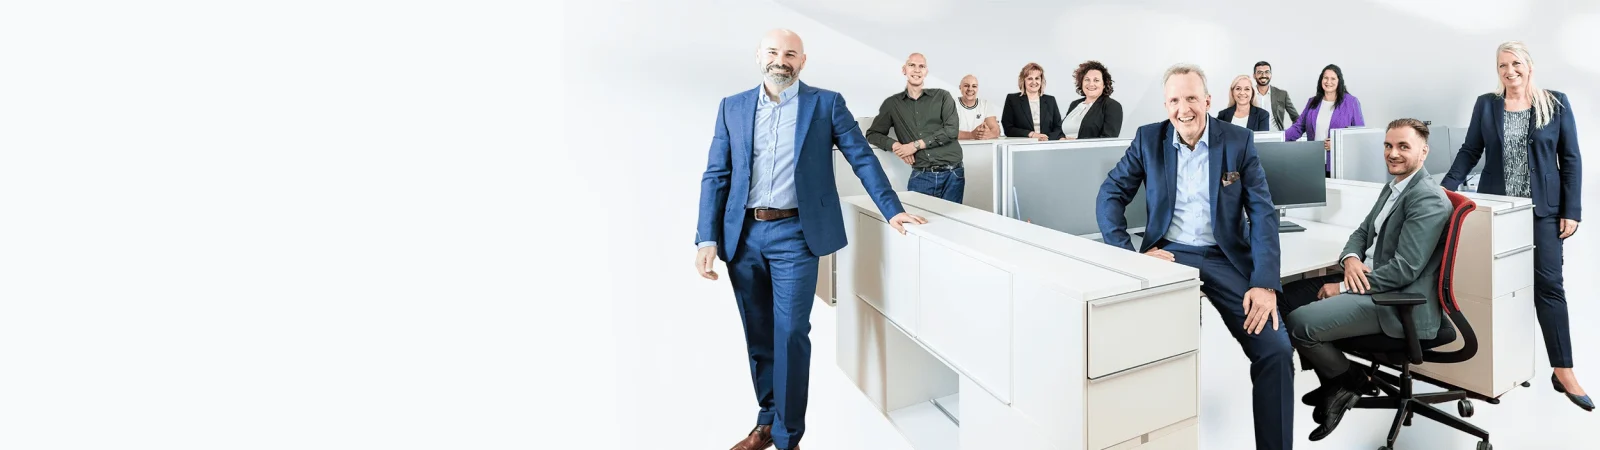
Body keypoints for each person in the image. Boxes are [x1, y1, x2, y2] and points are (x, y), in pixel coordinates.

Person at [695, 29, 929, 450]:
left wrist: (892, 208)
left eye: (790, 53)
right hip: (743, 236)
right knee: (759, 333)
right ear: (758, 57)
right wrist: (706, 238)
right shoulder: (732, 107)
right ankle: (765, 422)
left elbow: (862, 155)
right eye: (772, 52)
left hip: (796, 235)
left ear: (803, 61)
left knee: (790, 333)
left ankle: (788, 438)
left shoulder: (825, 104)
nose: (780, 59)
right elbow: (717, 174)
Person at [1097, 64, 1292, 450]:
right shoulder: (1148, 139)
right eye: (1174, 100)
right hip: (1169, 254)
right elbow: (1110, 195)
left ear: (1207, 100)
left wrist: (1266, 282)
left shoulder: (1238, 141)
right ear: (1165, 105)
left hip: (1224, 256)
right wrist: (1130, 257)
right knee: (1157, 354)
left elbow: (1263, 213)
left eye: (1190, 98)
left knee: (1276, 350)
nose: (1183, 108)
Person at [1278, 119, 1452, 440]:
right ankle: (1335, 380)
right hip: (1369, 281)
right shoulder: (1395, 187)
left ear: (1423, 152)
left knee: (1300, 322)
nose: (1393, 153)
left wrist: (1343, 285)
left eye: (1403, 146)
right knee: (1283, 297)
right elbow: (1361, 232)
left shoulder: (1427, 198)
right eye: (1388, 145)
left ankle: (1348, 379)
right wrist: (1352, 260)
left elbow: (1404, 271)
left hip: (1395, 300)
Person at [1440, 41, 1590, 412]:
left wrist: (1572, 210)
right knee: (1498, 289)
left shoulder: (1555, 103)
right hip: (1500, 211)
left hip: (1543, 212)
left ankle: (1563, 369)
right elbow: (1470, 150)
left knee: (1549, 286)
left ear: (1530, 66)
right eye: (1503, 65)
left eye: (1516, 63)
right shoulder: (1486, 105)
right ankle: (1499, 367)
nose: (1510, 71)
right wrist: (1445, 190)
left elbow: (1570, 158)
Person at [865, 53, 964, 203]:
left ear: (926, 72)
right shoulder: (892, 104)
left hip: (954, 174)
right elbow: (873, 134)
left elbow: (951, 131)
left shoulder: (943, 96)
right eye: (912, 65)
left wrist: (914, 146)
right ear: (904, 69)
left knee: (952, 223)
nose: (917, 70)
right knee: (918, 223)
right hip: (922, 176)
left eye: (921, 66)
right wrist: (897, 146)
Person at [1285, 64, 1365, 175]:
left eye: (1333, 78)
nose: (1328, 82)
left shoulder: (1351, 102)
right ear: (1321, 80)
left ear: (1339, 81)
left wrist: (1338, 143)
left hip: (1339, 164)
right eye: (1325, 78)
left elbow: (1359, 135)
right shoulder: (1312, 102)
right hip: (1314, 163)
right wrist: (1276, 138)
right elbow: (1298, 127)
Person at [1002, 62, 1065, 141]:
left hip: (1047, 144)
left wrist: (1046, 138)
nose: (1034, 82)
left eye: (1037, 78)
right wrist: (1032, 134)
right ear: (1023, 81)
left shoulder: (1050, 100)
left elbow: (1058, 127)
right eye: (1030, 78)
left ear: (1041, 80)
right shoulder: (1012, 99)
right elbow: (1008, 129)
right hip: (1022, 145)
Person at [1061, 60, 1124, 139]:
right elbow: (1060, 131)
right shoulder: (1075, 104)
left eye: (1096, 80)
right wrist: (1061, 138)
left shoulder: (1112, 106)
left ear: (1104, 84)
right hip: (1064, 150)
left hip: (1090, 151)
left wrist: (1076, 142)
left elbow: (1108, 139)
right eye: (1087, 80)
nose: (1091, 84)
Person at [1253, 61, 1299, 131]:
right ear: (1254, 75)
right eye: (1259, 72)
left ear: (1271, 75)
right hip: (1253, 137)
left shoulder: (1282, 94)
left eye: (1267, 72)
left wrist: (1290, 134)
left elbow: (1296, 118)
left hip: (1275, 137)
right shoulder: (1248, 94)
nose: (1263, 75)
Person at [956, 74, 1001, 140]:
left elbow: (996, 130)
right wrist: (971, 135)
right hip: (957, 148)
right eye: (966, 86)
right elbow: (946, 132)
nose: (970, 89)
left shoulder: (985, 104)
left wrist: (988, 134)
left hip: (981, 147)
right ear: (960, 87)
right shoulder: (951, 104)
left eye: (974, 86)